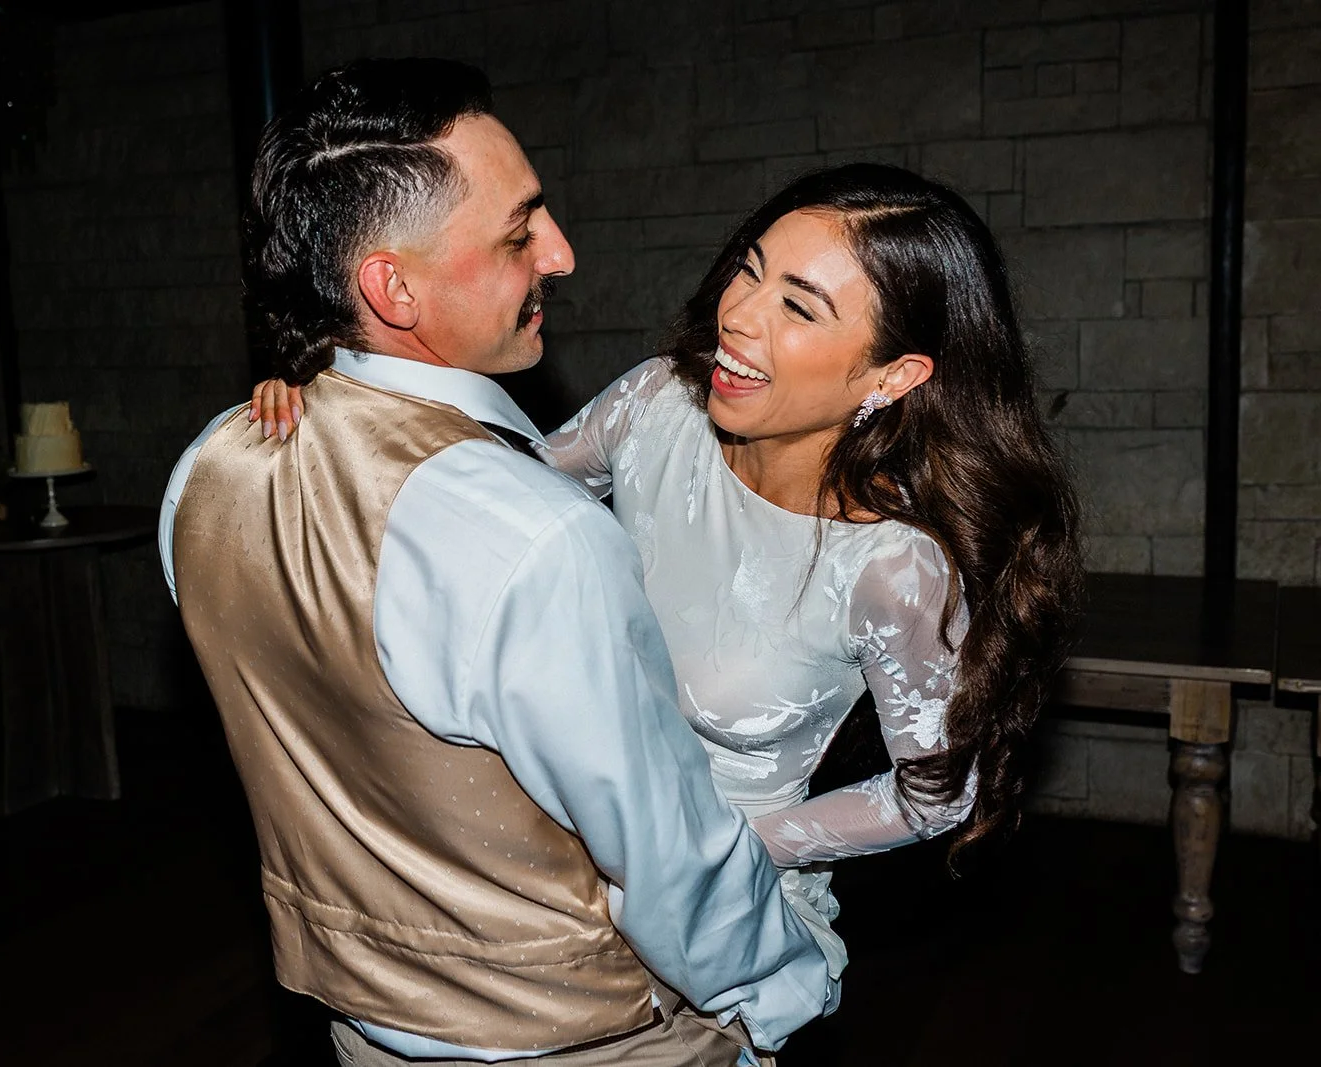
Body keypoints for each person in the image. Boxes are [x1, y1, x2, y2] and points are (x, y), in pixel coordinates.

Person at [160, 57, 833, 1067]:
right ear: (392, 287)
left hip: (359, 1032)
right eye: (519, 233)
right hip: (590, 1042)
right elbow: (666, 861)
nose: (560, 253)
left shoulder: (205, 471)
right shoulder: (535, 537)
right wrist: (787, 989)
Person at [254, 162, 1085, 936]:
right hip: (546, 843)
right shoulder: (657, 405)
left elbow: (936, 797)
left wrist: (733, 848)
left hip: (711, 908)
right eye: (750, 270)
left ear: (893, 375)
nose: (738, 314)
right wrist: (348, 406)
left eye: (799, 308)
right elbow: (488, 502)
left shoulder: (893, 570)